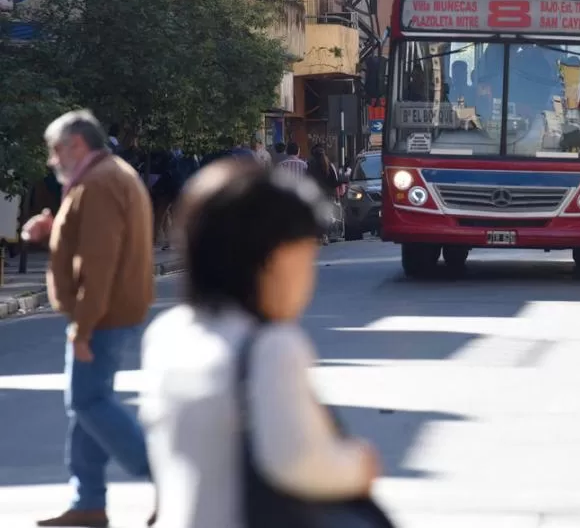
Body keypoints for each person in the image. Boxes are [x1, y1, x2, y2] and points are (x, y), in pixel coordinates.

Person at [138, 160, 380, 528]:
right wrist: (357, 465)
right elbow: (297, 462)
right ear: (271, 259)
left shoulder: (167, 333)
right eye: (304, 258)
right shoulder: (270, 346)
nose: (308, 277)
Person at [22, 110, 155, 528]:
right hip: (108, 310)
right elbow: (94, 239)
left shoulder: (99, 184)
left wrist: (83, 327)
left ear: (77, 145)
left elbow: (99, 262)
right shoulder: (102, 177)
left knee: (88, 401)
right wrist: (54, 227)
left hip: (103, 314)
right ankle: (88, 503)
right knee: (87, 408)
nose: (51, 160)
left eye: (55, 150)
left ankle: (164, 474)